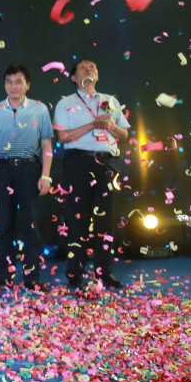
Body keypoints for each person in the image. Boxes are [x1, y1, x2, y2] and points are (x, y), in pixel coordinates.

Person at [53, 60, 129, 289]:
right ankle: (75, 273)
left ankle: (105, 273)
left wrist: (110, 126)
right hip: (78, 161)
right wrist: (92, 125)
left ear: (97, 75)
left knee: (106, 219)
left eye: (93, 67)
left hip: (106, 162)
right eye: (83, 68)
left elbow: (124, 135)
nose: (88, 69)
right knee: (78, 218)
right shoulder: (65, 103)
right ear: (73, 77)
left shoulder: (110, 101)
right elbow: (62, 137)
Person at [0, 64, 54, 290]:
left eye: (18, 82)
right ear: (4, 85)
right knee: (4, 226)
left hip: (30, 170)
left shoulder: (40, 110)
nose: (13, 86)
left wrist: (46, 176)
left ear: (27, 85)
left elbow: (47, 145)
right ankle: (5, 277)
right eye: (9, 82)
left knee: (31, 226)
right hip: (2, 171)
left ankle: (32, 278)